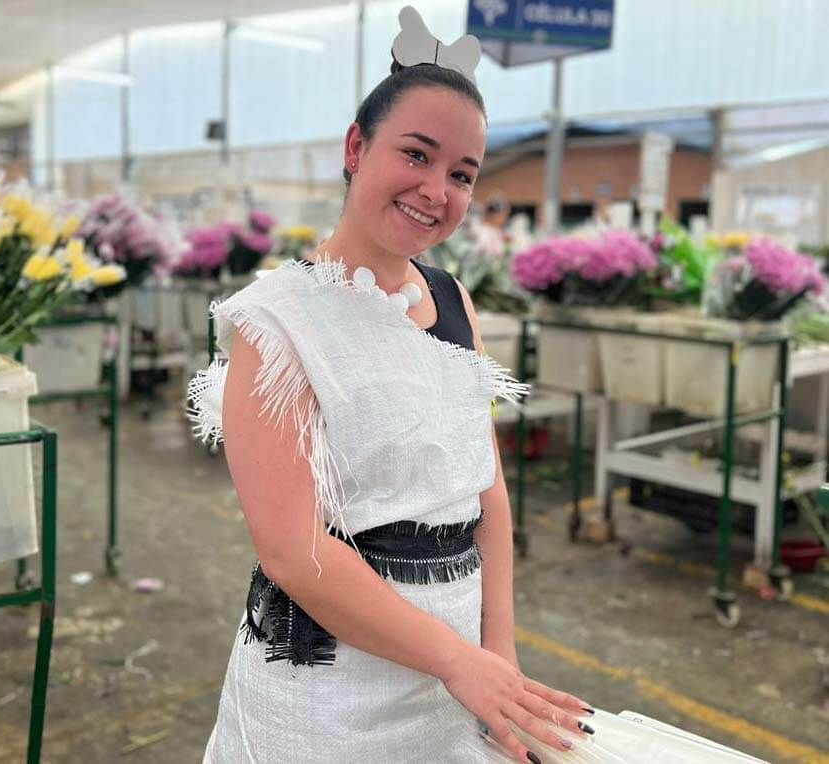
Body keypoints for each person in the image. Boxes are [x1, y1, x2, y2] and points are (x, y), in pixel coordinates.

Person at [189, 8, 759, 764]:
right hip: (329, 691)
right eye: (416, 154)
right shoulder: (277, 320)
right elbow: (295, 552)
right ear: (356, 148)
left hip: (458, 673)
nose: (437, 190)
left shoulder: (450, 297)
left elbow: (485, 486)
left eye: (462, 174)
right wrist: (461, 662)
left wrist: (498, 653)